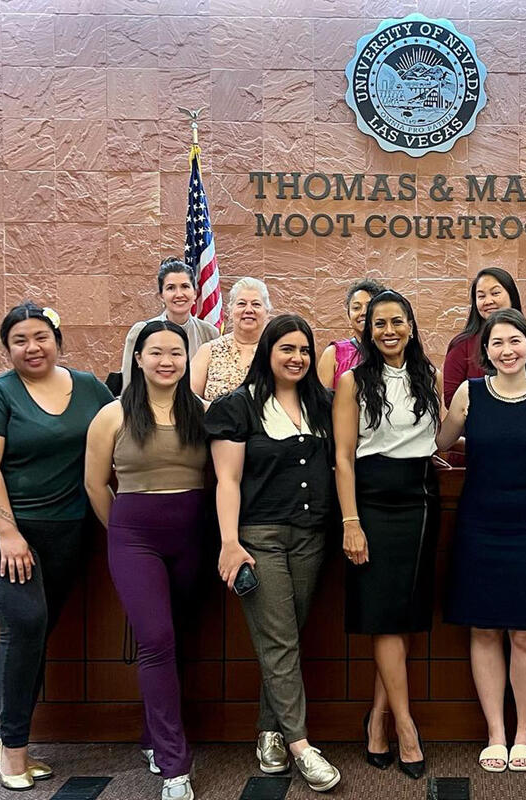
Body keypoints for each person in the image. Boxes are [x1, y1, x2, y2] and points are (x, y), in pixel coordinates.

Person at [0, 302, 113, 791]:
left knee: (38, 629)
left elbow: (119, 439)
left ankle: (11, 737)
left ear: (57, 340)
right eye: (20, 339)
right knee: (24, 623)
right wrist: (8, 534)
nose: (32, 347)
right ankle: (12, 747)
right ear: (7, 349)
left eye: (40, 336)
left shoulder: (90, 388)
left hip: (67, 529)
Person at [206, 315, 342, 794]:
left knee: (285, 635)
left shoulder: (324, 404)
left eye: (304, 349)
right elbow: (227, 480)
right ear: (267, 351)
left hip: (312, 536)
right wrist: (229, 541)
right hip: (258, 537)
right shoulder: (237, 407)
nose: (297, 358)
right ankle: (301, 745)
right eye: (287, 348)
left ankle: (269, 731)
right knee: (280, 638)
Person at [437, 308, 526, 774]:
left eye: (515, 341)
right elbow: (438, 442)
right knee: (485, 628)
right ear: (485, 352)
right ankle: (496, 732)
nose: (507, 350)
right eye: (497, 343)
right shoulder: (468, 395)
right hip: (479, 523)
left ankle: (524, 734)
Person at [85, 321, 208, 800]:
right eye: (155, 352)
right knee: (156, 638)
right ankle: (176, 765)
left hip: (193, 536)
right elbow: (97, 484)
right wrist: (118, 532)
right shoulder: (111, 416)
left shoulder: (202, 412)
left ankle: (152, 736)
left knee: (177, 639)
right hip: (134, 539)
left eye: (175, 353)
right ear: (138, 358)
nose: (166, 361)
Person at [333, 290, 442, 780]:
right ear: (367, 331)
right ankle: (406, 726)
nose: (389, 330)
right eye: (379, 324)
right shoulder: (352, 381)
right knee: (383, 617)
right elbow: (342, 457)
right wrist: (350, 521)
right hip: (372, 505)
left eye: (398, 321)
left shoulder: (429, 376)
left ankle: (376, 721)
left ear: (412, 326)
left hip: (420, 502)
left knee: (401, 619)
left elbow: (434, 436)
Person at [442, 268, 526, 405]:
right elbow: (452, 400)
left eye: (495, 293)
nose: (488, 301)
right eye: (481, 296)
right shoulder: (461, 345)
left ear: (511, 295)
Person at [119, 257, 221, 389]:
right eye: (171, 288)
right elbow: (128, 384)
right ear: (161, 295)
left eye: (185, 286)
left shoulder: (210, 333)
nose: (179, 294)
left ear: (195, 293)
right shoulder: (141, 331)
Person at [190, 277, 271, 401]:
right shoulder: (209, 351)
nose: (248, 310)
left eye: (256, 304)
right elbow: (190, 398)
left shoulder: (276, 351)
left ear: (266, 311)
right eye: (241, 304)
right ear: (231, 310)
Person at [318, 278, 387, 390]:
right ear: (349, 315)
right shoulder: (333, 354)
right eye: (356, 307)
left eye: (369, 306)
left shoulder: (391, 351)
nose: (363, 312)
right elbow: (321, 403)